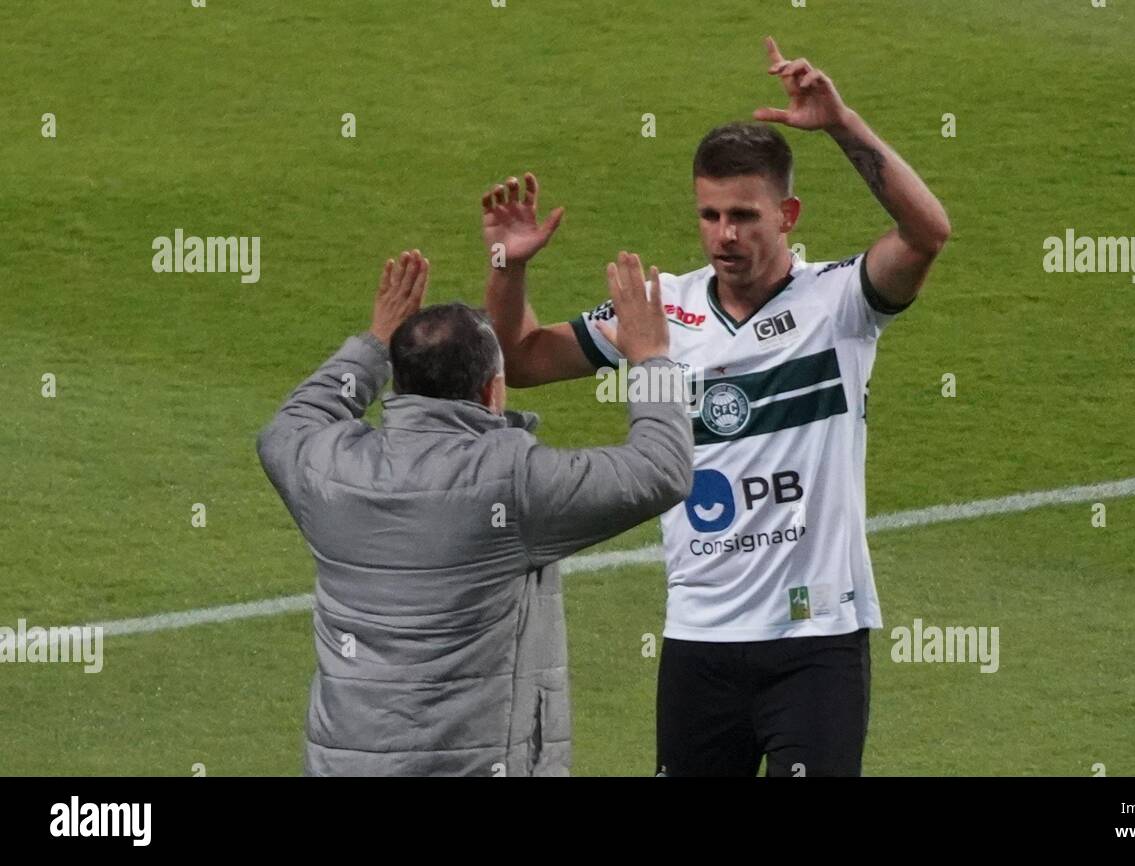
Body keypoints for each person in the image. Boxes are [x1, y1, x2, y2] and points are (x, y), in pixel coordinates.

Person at [481, 37, 951, 776]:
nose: (724, 235)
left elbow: (928, 233)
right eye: (709, 215)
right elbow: (520, 360)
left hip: (816, 640)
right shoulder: (662, 308)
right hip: (700, 640)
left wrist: (839, 123)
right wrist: (510, 266)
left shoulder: (839, 303)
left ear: (787, 212)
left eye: (744, 215)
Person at [255, 247, 692, 776]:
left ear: (400, 380)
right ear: (492, 390)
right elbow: (662, 468)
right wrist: (651, 361)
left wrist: (374, 342)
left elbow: (293, 422)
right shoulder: (511, 483)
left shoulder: (326, 466)